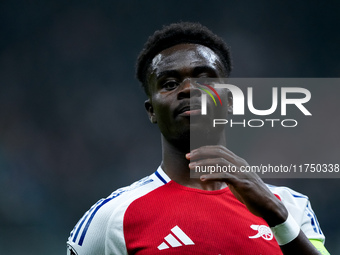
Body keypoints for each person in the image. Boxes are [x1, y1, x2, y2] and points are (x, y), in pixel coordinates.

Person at [67, 22, 329, 255]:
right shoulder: (112, 218)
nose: (190, 89)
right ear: (151, 112)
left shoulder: (290, 206)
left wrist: (278, 218)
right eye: (169, 83)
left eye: (204, 79)